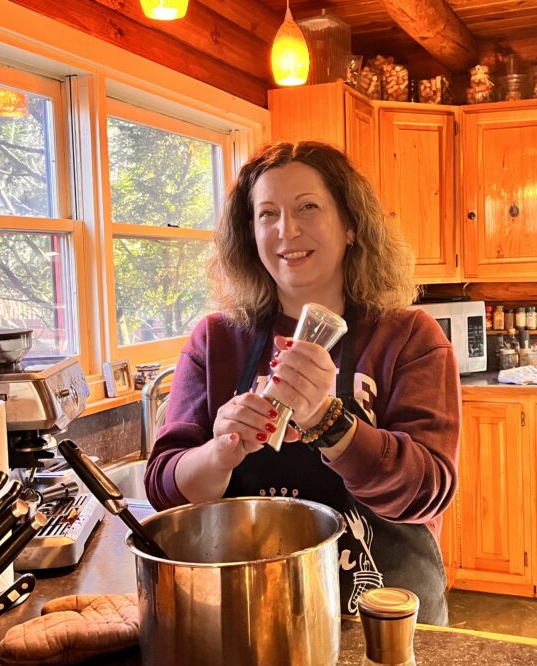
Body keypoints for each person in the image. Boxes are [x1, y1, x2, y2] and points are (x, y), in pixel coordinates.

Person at [144, 140, 461, 625]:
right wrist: (219, 453)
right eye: (266, 213)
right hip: (248, 613)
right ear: (249, 234)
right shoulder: (216, 340)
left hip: (381, 620)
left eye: (307, 207)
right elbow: (164, 488)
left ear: (351, 226)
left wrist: (329, 422)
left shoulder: (408, 337)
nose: (286, 230)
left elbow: (427, 491)